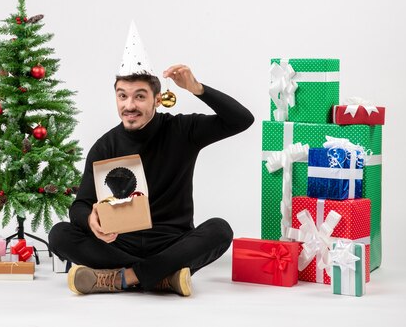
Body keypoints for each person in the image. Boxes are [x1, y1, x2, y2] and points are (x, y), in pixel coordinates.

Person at [48, 23, 254, 296]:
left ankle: (125, 278)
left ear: (157, 100)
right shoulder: (105, 146)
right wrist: (90, 220)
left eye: (139, 96)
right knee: (59, 234)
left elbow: (242, 120)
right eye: (122, 96)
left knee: (220, 230)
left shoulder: (183, 130)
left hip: (173, 242)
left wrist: (198, 88)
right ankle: (163, 277)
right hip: (119, 244)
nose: (129, 105)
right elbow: (80, 206)